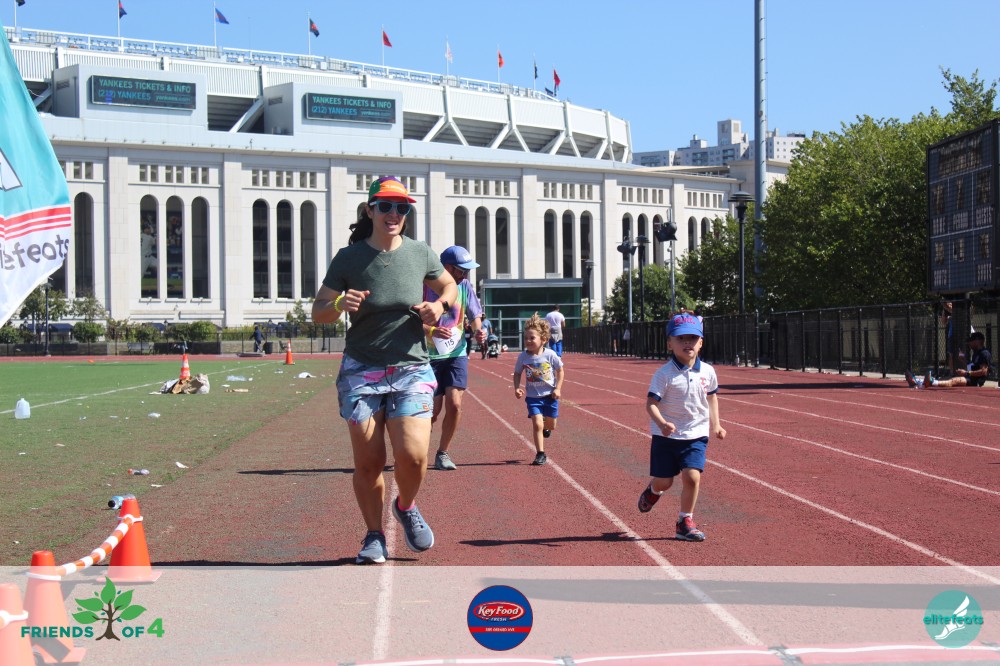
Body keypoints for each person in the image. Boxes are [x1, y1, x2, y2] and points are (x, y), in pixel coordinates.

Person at [312, 176, 458, 565]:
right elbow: (319, 311)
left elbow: (449, 287)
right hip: (362, 371)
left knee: (414, 456)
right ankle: (374, 535)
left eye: (402, 207)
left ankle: (406, 506)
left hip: (411, 367)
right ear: (370, 210)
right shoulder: (349, 258)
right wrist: (340, 303)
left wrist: (439, 306)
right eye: (386, 206)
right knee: (369, 461)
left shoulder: (420, 252)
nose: (394, 213)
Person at [637, 313, 726, 542]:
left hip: (696, 434)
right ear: (670, 343)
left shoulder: (708, 371)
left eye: (692, 338)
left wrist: (716, 424)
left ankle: (684, 521)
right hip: (666, 437)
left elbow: (712, 398)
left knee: (692, 477)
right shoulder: (664, 374)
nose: (687, 343)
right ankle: (653, 491)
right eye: (681, 338)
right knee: (665, 481)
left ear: (701, 342)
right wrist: (662, 423)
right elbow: (651, 404)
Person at [423, 245, 486, 471]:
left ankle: (442, 453)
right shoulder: (424, 286)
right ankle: (418, 452)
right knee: (431, 412)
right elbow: (410, 321)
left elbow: (474, 314)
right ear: (447, 268)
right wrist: (431, 331)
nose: (465, 275)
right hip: (428, 356)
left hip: (456, 353)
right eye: (461, 270)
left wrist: (478, 331)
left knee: (455, 404)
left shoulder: (465, 286)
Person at [513, 313, 564, 466]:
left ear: (544, 339)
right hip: (533, 398)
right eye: (526, 338)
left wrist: (558, 388)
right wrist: (517, 387)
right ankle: (540, 453)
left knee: (551, 425)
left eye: (532, 338)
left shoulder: (550, 355)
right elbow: (517, 373)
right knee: (537, 424)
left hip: (550, 396)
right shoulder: (523, 357)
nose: (528, 341)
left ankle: (546, 428)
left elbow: (560, 371)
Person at [907, 331, 992, 389]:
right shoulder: (976, 353)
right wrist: (964, 361)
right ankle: (918, 382)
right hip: (970, 377)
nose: (969, 343)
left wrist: (966, 373)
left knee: (953, 381)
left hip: (975, 381)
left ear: (977, 341)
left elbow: (984, 371)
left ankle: (929, 382)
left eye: (971, 341)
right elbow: (973, 367)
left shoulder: (984, 353)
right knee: (945, 378)